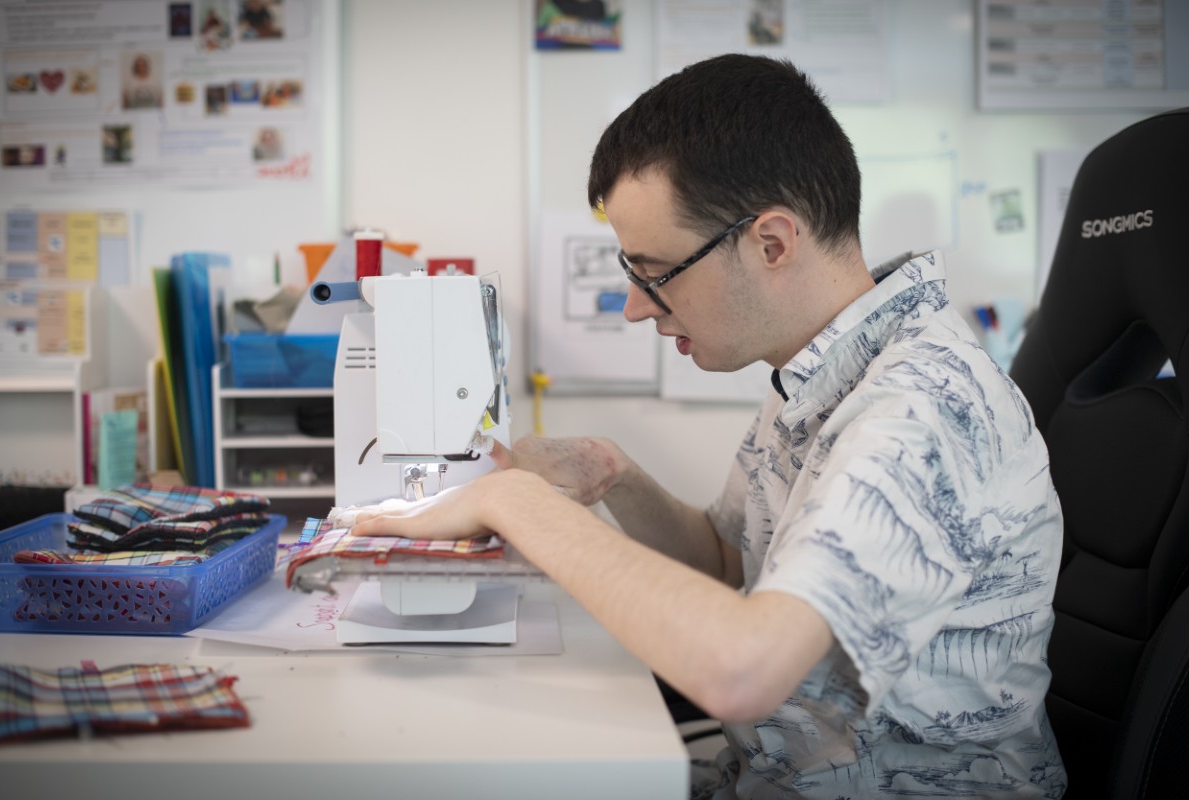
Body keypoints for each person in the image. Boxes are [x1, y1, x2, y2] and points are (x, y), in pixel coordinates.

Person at [350, 54, 1067, 799]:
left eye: (654, 273)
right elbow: (729, 563)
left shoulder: (921, 410)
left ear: (772, 243)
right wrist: (613, 475)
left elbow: (744, 669)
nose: (635, 307)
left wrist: (514, 505)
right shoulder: (822, 372)